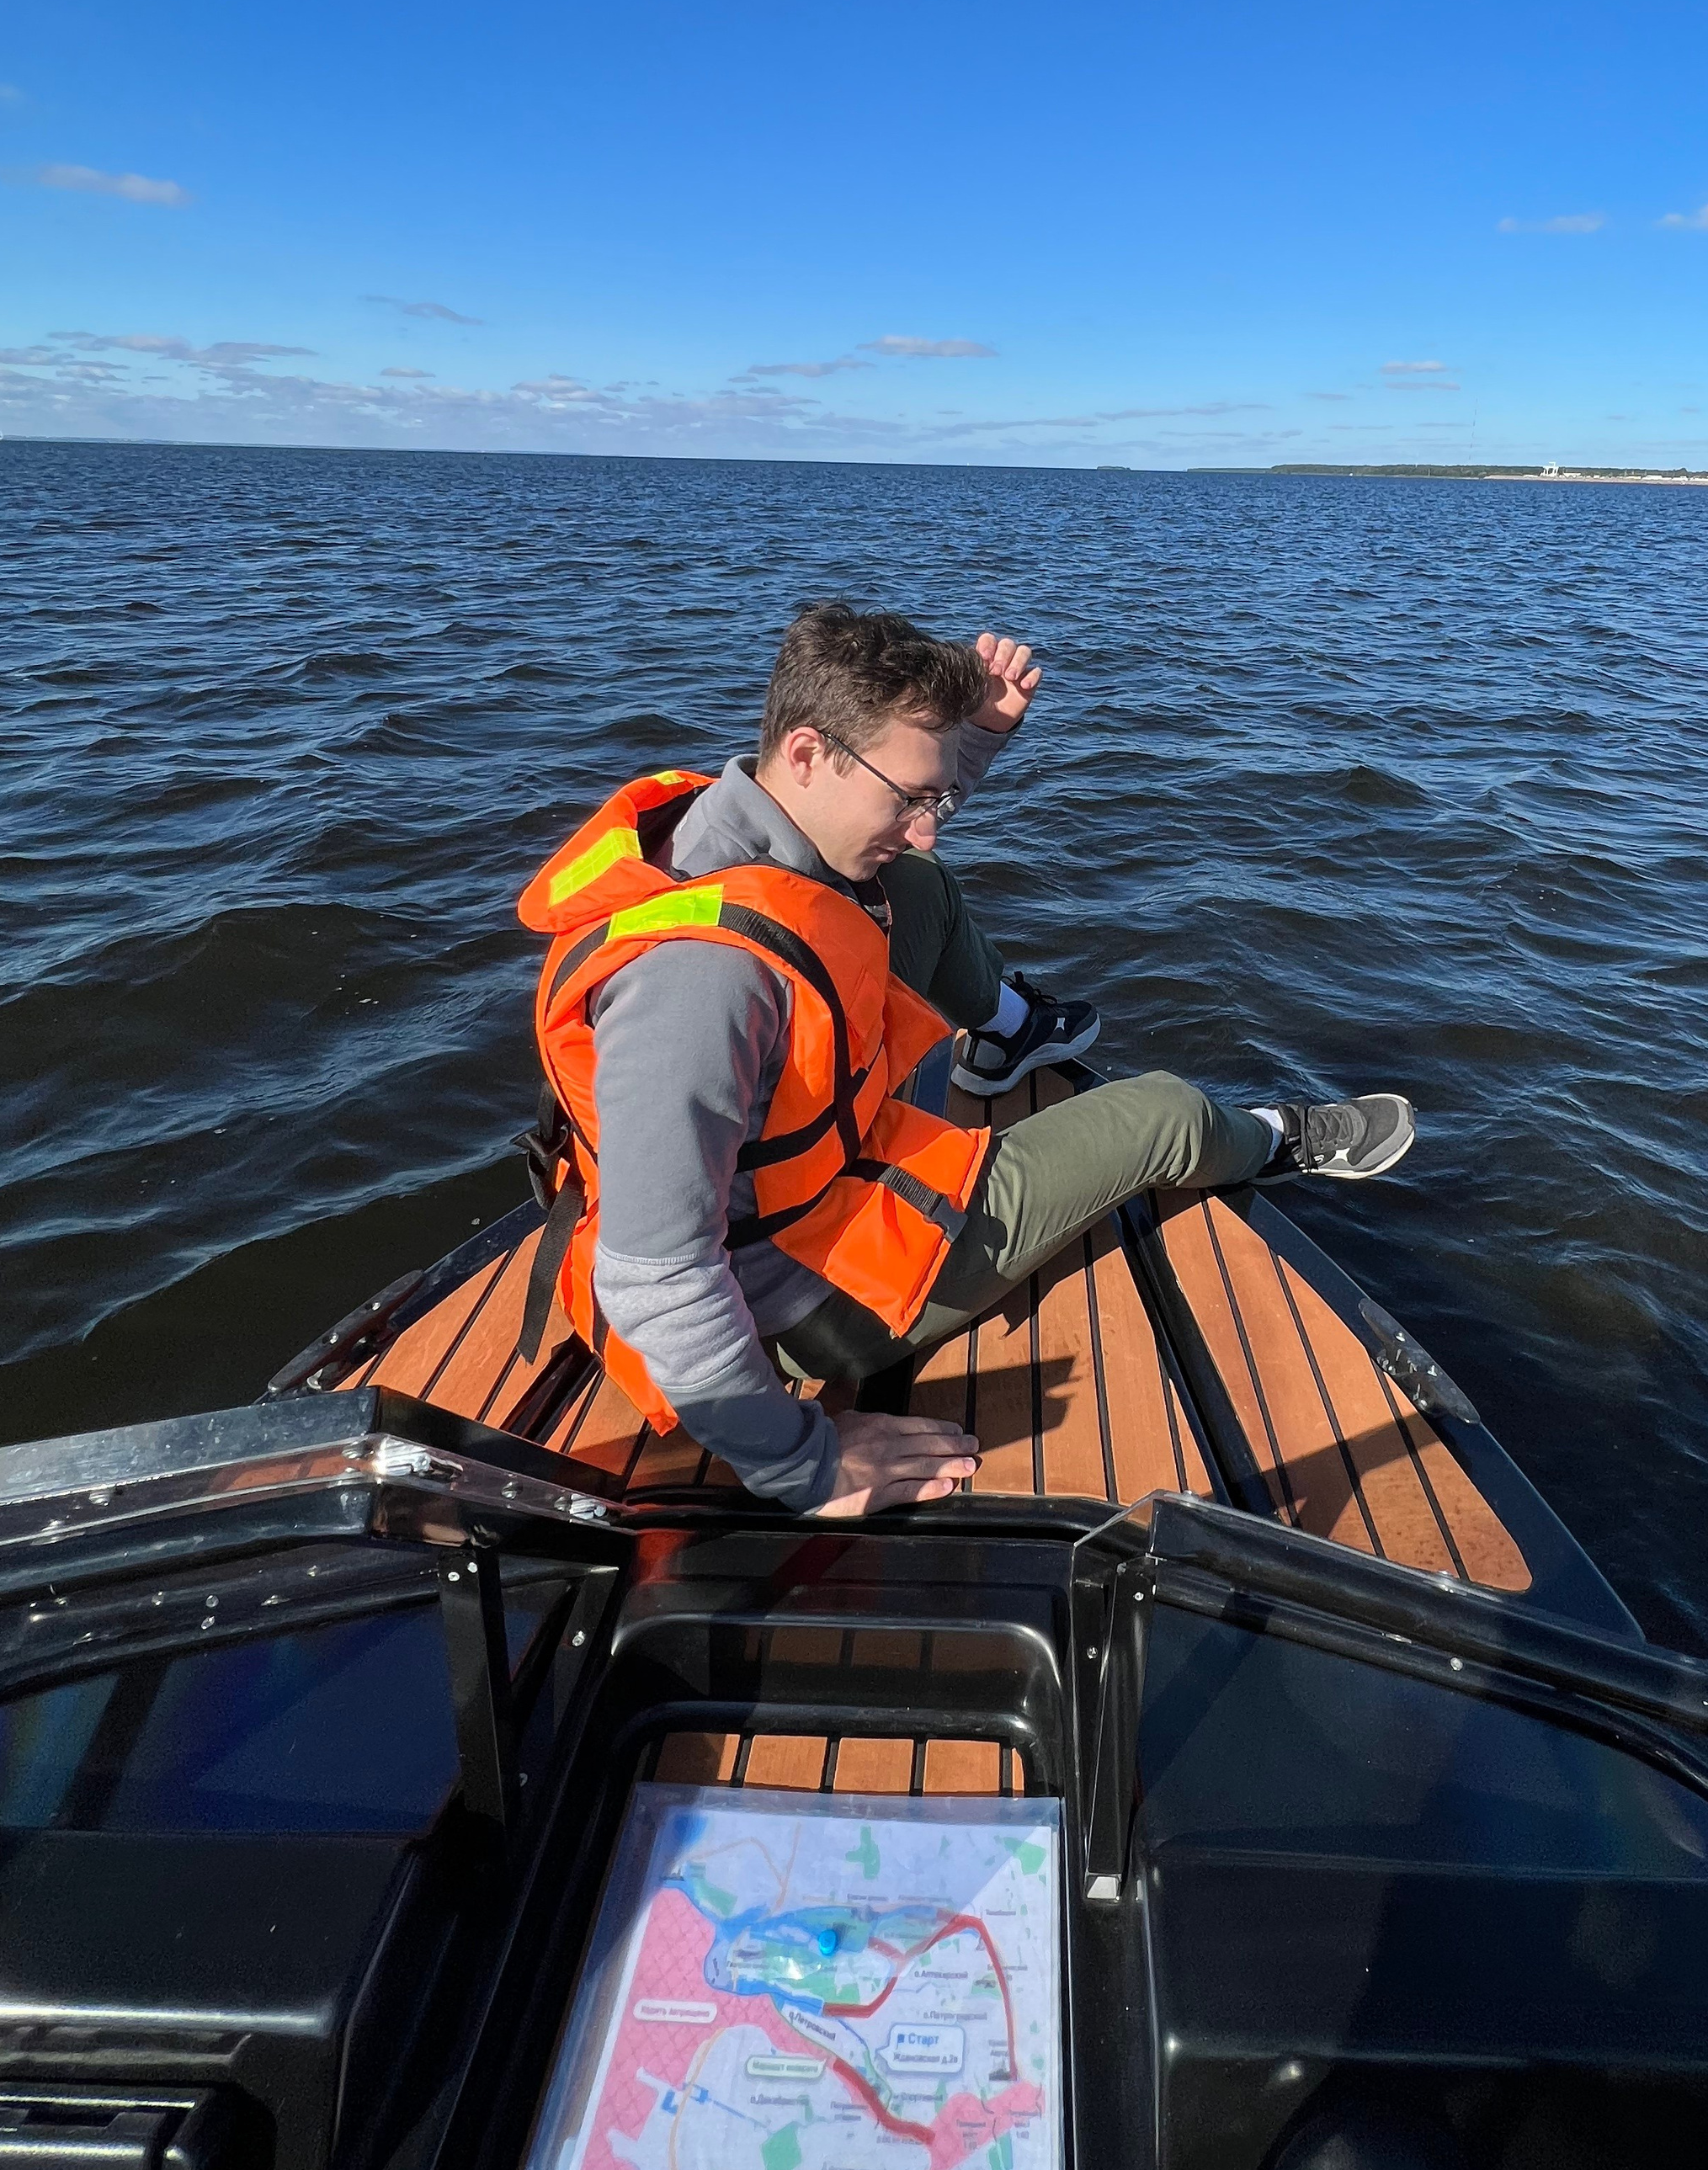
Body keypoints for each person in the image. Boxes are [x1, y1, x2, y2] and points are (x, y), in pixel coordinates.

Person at [517, 603, 1413, 1518]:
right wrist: (804, 1463)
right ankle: (1277, 1139)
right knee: (1167, 1115)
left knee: (915, 886)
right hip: (799, 1285)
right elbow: (656, 1276)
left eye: (932, 796)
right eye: (909, 797)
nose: (926, 821)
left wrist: (973, 741)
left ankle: (1007, 1032)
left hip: (796, 1166)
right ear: (807, 751)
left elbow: (887, 826)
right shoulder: (700, 984)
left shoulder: (731, 821)